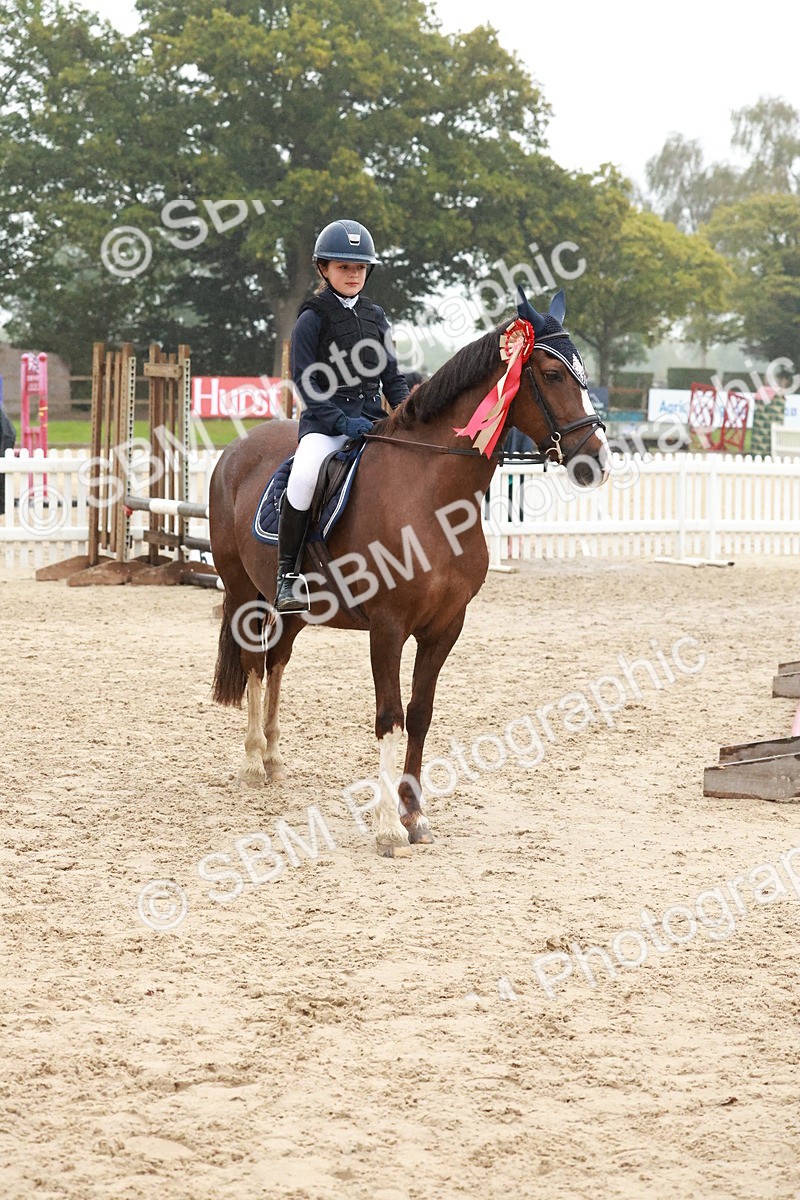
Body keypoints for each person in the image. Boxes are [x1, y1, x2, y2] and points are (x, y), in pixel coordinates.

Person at [275, 218, 409, 613]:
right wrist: (341, 422)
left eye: (360, 268)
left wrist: (407, 414)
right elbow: (306, 382)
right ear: (323, 268)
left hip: (372, 422)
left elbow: (392, 378)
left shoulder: (375, 316)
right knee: (303, 477)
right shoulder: (311, 318)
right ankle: (287, 576)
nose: (353, 275)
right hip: (326, 425)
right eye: (344, 267)